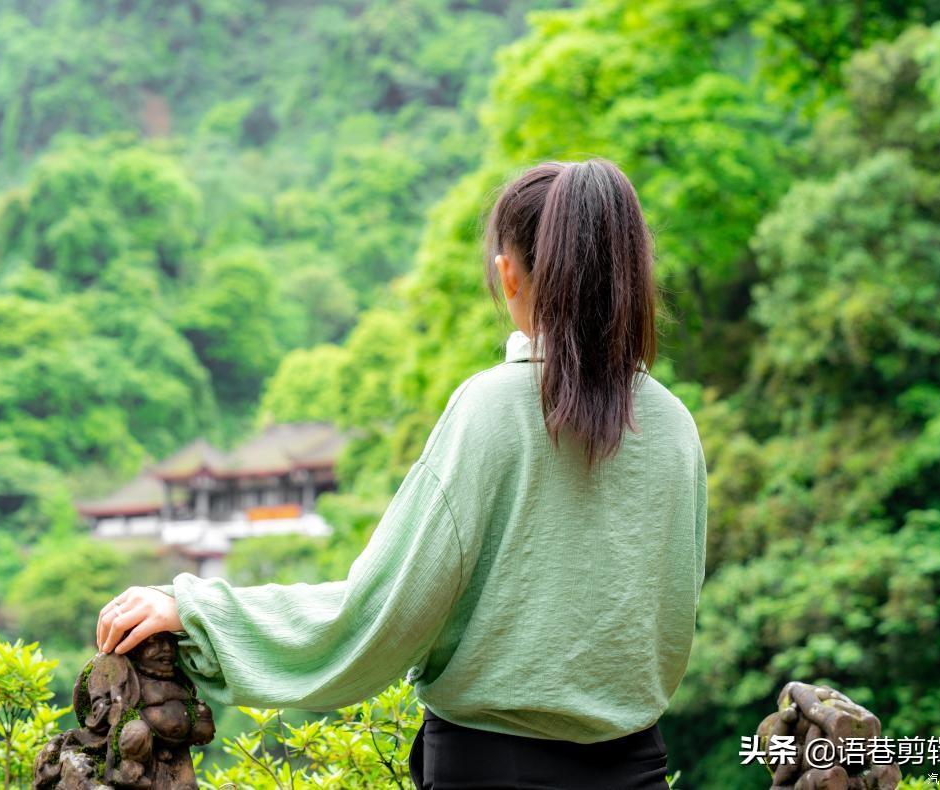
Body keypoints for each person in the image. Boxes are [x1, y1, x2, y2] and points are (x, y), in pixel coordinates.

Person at [96, 158, 708, 789]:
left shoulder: (492, 410)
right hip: (639, 770)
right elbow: (671, 620)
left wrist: (196, 611)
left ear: (510, 276)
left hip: (493, 773)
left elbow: (381, 613)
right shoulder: (674, 426)